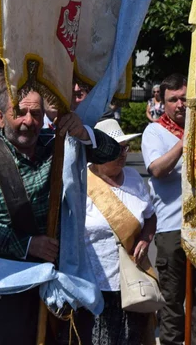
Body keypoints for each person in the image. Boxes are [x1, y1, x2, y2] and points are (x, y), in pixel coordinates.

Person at [0, 80, 121, 345]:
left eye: (36, 114)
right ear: (1, 118)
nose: (28, 121)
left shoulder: (57, 145)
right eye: (19, 113)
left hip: (57, 283)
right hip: (8, 287)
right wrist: (28, 245)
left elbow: (111, 151)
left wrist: (83, 133)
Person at [140, 74, 196, 345]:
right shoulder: (155, 132)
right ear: (163, 102)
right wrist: (185, 143)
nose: (180, 105)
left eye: (184, 98)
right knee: (171, 303)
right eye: (173, 100)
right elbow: (156, 169)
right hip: (171, 230)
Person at [79, 119, 156, 345]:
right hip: (93, 286)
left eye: (125, 148)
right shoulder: (82, 180)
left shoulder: (133, 178)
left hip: (132, 283)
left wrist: (146, 238)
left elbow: (150, 216)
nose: (123, 154)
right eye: (116, 149)